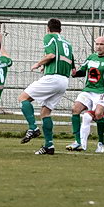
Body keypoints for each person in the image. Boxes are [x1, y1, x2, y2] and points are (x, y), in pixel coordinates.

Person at [18, 18, 75, 155]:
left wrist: (38, 64)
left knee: (23, 98)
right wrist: (46, 66)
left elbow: (51, 55)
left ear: (48, 29)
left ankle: (33, 128)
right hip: (64, 81)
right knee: (45, 112)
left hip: (53, 78)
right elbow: (72, 68)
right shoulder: (67, 43)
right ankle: (49, 146)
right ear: (61, 30)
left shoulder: (49, 37)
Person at [66, 36, 104, 153]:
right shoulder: (91, 58)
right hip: (89, 90)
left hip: (103, 93)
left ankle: (101, 143)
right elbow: (83, 72)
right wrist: (74, 73)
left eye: (101, 44)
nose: (98, 46)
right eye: (97, 44)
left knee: (99, 114)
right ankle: (78, 142)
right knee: (75, 109)